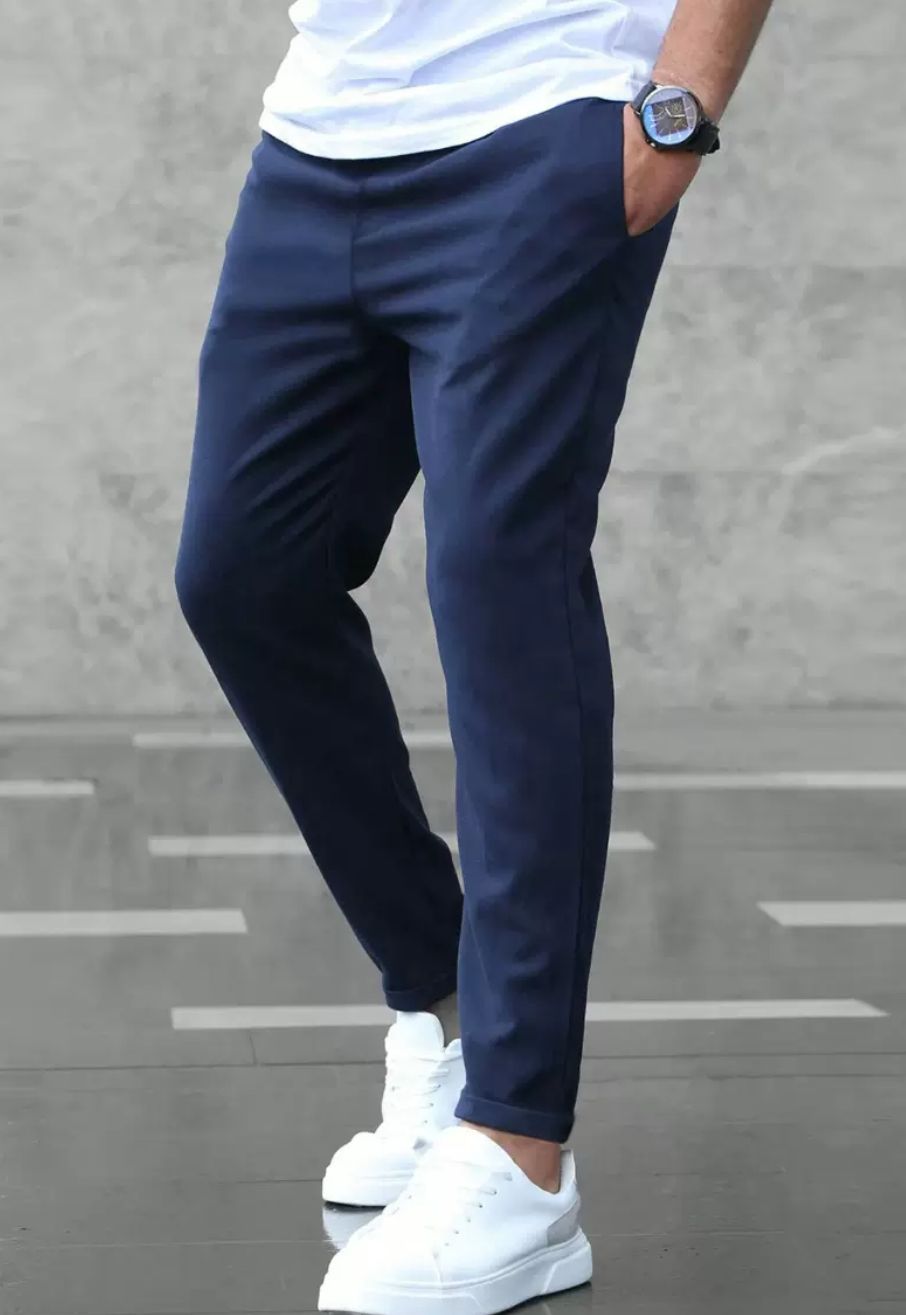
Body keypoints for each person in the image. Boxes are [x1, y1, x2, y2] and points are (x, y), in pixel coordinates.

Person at [175, 1, 773, 1310]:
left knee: (502, 586)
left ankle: (517, 1147)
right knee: (245, 576)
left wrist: (673, 113)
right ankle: (447, 1012)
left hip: (546, 118)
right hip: (321, 128)